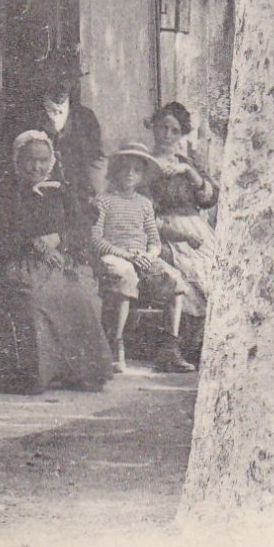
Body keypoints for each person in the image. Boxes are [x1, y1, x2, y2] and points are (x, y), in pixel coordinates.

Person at [0, 131, 112, 394]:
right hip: (17, 264)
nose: (37, 167)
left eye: (43, 160)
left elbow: (81, 229)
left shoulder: (61, 192)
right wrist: (33, 244)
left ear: (52, 161)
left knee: (79, 295)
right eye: (30, 160)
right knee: (34, 297)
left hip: (59, 263)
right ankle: (37, 373)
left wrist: (59, 238)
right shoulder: (4, 193)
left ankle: (76, 371)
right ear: (17, 160)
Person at [93, 142, 194, 373]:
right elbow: (96, 240)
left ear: (143, 175)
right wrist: (126, 255)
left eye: (136, 170)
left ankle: (169, 347)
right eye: (125, 168)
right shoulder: (104, 201)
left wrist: (149, 255)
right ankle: (115, 346)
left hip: (142, 257)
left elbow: (154, 239)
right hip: (114, 256)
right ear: (115, 171)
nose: (130, 174)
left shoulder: (145, 204)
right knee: (125, 275)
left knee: (174, 280)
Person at [0, 45, 105, 215]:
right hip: (33, 207)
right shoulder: (21, 115)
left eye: (68, 78)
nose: (61, 84)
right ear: (44, 76)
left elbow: (96, 161)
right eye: (56, 76)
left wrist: (95, 195)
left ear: (75, 80)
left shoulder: (85, 118)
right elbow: (4, 161)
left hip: (77, 209)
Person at [144, 102, 218, 357]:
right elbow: (145, 212)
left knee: (214, 275)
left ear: (181, 134)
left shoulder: (187, 163)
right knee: (190, 277)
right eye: (162, 128)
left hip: (196, 226)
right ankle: (182, 346)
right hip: (163, 230)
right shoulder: (144, 163)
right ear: (153, 128)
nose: (167, 135)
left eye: (174, 130)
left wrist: (188, 171)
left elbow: (208, 198)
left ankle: (204, 345)